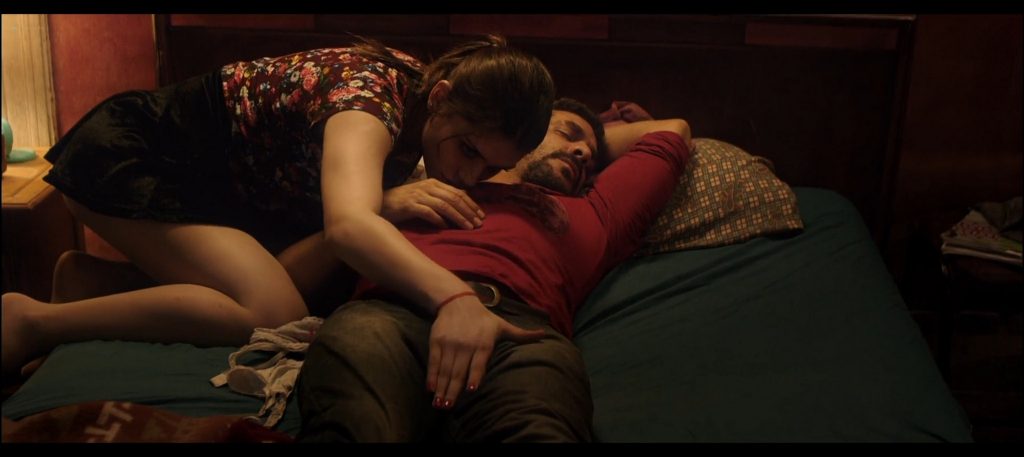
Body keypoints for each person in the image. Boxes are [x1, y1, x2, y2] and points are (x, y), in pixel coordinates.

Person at [0, 35, 556, 379]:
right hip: (133, 155)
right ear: (440, 98)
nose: (468, 176)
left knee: (285, 293)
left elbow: (297, 262)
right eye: (468, 151)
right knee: (274, 313)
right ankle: (32, 321)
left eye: (490, 168)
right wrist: (455, 298)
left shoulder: (424, 116)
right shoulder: (367, 100)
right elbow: (348, 227)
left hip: (211, 189)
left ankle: (94, 283)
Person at [293, 98, 693, 442]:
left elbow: (672, 131)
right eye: (567, 133)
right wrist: (387, 205)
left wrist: (595, 139)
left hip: (518, 335)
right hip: (392, 311)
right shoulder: (428, 184)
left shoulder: (596, 214)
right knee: (354, 421)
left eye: (591, 155)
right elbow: (292, 275)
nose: (583, 154)